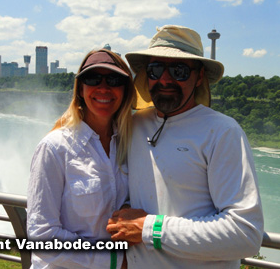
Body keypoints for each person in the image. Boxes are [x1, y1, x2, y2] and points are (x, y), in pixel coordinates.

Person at [106, 25, 264, 269]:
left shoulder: (222, 132)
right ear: (146, 75)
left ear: (199, 76)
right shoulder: (134, 125)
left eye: (179, 70)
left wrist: (150, 229)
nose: (165, 79)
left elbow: (246, 233)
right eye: (156, 69)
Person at [27, 49, 135, 269]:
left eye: (114, 79)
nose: (103, 87)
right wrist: (113, 262)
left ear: (125, 90)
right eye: (93, 78)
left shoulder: (130, 143)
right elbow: (41, 236)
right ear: (81, 89)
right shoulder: (55, 148)